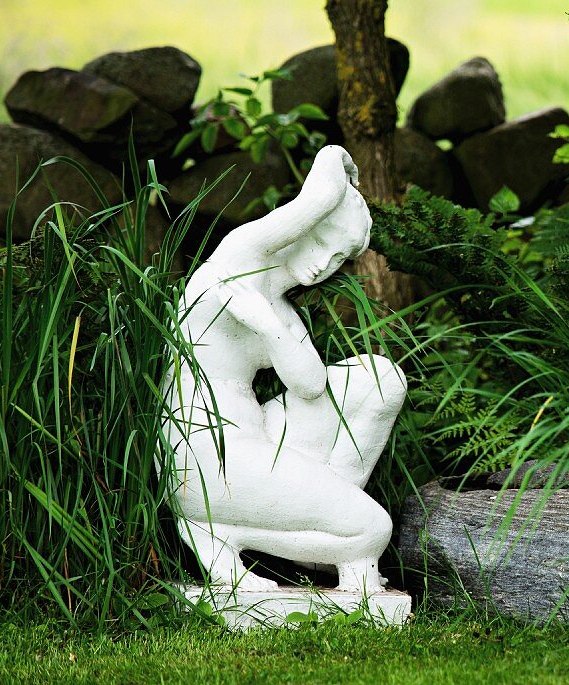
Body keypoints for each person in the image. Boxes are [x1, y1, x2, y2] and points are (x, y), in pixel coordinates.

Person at [161, 145, 405, 592]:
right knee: (373, 531)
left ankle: (328, 520)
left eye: (338, 261)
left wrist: (269, 325)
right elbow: (311, 198)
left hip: (255, 442)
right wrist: (335, 162)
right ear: (302, 229)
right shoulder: (237, 261)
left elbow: (311, 385)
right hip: (202, 456)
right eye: (322, 246)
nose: (323, 267)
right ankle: (214, 528)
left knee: (380, 380)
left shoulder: (280, 312)